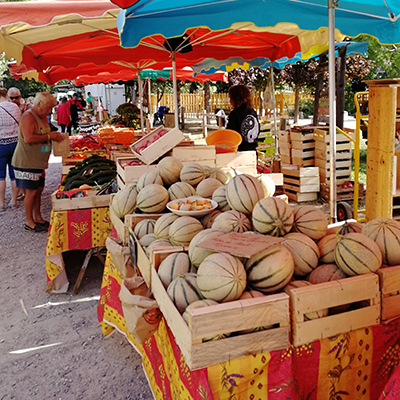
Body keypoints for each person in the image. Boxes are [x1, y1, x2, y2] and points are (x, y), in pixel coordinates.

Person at [12, 92, 63, 233]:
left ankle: (38, 217)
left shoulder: (42, 116)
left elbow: (45, 135)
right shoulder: (28, 116)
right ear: (39, 104)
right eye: (48, 108)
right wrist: (48, 136)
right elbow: (28, 138)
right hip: (27, 162)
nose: (49, 111)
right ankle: (29, 222)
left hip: (38, 162)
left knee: (38, 191)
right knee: (31, 192)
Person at [0, 88, 22, 211]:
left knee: (0, 175)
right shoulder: (15, 107)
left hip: (1, 145)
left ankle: (1, 203)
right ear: (6, 95)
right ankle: (14, 201)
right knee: (14, 174)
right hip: (15, 143)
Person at [226, 84, 260, 152]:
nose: (230, 100)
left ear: (235, 98)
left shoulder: (235, 113)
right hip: (253, 151)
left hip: (239, 152)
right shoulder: (253, 112)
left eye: (230, 98)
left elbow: (230, 134)